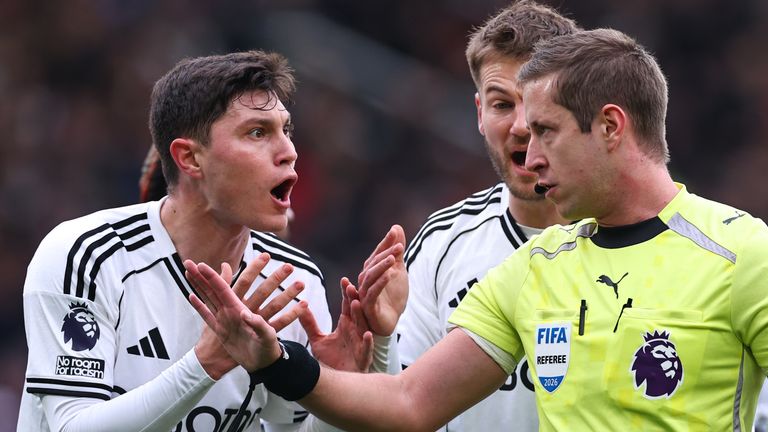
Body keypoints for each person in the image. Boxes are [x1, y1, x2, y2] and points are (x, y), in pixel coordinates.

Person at [185, 28, 768, 431]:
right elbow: (411, 403)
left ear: (610, 126)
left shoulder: (741, 254)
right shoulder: (538, 265)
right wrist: (277, 364)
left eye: (547, 131)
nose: (529, 154)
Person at [18, 50, 405, 431]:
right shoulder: (86, 256)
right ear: (190, 159)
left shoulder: (292, 282)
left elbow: (293, 429)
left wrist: (348, 377)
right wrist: (206, 363)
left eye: (285, 130)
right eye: (257, 132)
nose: (289, 151)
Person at [397, 2, 577, 430]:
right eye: (501, 105)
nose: (521, 125)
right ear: (479, 113)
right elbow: (400, 402)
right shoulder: (442, 244)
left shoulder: (638, 235)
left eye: (538, 102)